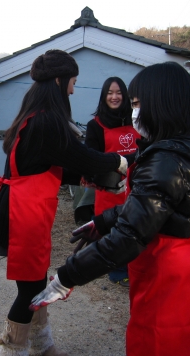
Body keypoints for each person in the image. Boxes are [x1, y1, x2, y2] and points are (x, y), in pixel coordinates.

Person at [30, 61, 190, 356]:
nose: (133, 112)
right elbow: (162, 209)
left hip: (166, 273)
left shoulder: (166, 161)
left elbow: (128, 237)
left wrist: (66, 276)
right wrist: (103, 220)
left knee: (157, 347)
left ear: (161, 104)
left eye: (137, 104)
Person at [0, 50, 128, 356]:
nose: (74, 90)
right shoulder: (48, 120)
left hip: (27, 205)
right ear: (60, 81)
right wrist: (118, 161)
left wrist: (83, 177)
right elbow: (81, 156)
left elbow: (49, 165)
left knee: (36, 280)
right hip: (24, 211)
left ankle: (40, 345)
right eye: (73, 82)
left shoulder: (35, 115)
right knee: (29, 288)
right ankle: (9, 353)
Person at [84, 76, 140, 287]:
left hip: (136, 186)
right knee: (112, 231)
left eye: (118, 93)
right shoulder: (95, 125)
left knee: (136, 228)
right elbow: (91, 159)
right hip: (110, 189)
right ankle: (117, 272)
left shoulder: (136, 120)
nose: (115, 97)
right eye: (110, 93)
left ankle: (135, 267)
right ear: (103, 96)